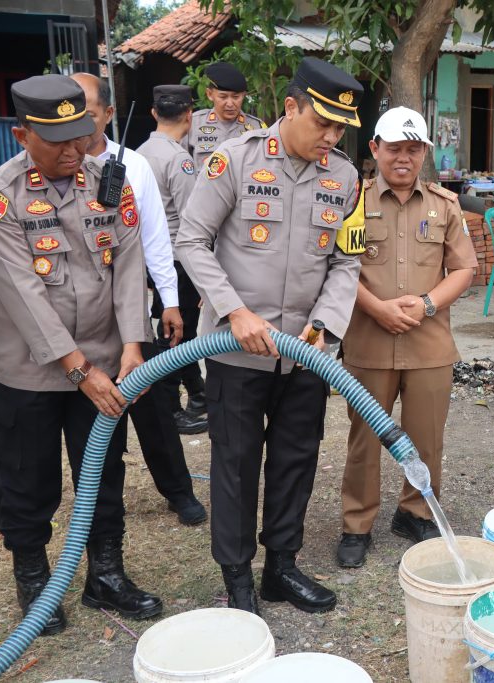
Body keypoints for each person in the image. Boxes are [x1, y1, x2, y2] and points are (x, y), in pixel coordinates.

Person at [0, 75, 162, 635]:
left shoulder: (110, 179)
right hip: (29, 372)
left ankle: (105, 575)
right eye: (57, 141)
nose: (74, 151)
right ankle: (34, 580)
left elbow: (128, 264)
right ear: (22, 134)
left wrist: (133, 344)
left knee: (102, 471)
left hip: (106, 360)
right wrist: (79, 370)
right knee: (28, 480)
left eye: (81, 136)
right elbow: (22, 296)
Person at [176, 57, 366, 614]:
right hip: (236, 351)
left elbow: (346, 264)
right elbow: (191, 241)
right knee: (235, 465)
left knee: (295, 458)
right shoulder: (232, 160)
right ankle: (237, 578)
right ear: (291, 107)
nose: (330, 138)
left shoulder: (345, 177)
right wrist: (233, 311)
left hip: (307, 355)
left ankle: (282, 566)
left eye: (340, 129)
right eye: (322, 124)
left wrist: (326, 325)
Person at [336, 107, 476, 568]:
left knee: (426, 437)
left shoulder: (445, 205)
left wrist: (428, 304)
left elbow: (465, 268)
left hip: (428, 343)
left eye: (413, 149)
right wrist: (376, 308)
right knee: (364, 439)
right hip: (369, 343)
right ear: (374, 148)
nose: (404, 157)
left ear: (424, 154)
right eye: (395, 148)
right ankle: (357, 523)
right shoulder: (350, 202)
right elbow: (336, 268)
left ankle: (414, 511)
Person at [72, 73, 206, 527]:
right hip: (75, 321)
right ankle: (101, 506)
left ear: (109, 114)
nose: (73, 123)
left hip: (132, 311)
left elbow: (155, 240)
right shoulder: (43, 166)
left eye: (86, 112)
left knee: (153, 408)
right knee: (93, 416)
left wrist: (169, 301)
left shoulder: (133, 166)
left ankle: (179, 490)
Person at [136, 84, 210, 436]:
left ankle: (196, 396)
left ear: (154, 113)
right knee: (178, 335)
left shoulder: (138, 153)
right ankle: (171, 409)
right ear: (189, 115)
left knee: (177, 332)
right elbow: (194, 220)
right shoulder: (178, 159)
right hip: (179, 261)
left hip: (152, 260)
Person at [187, 62, 265, 166]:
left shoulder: (257, 128)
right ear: (210, 94)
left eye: (236, 97)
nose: (230, 104)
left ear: (244, 96)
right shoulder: (193, 123)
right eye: (223, 97)